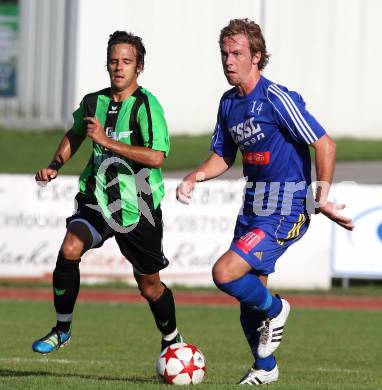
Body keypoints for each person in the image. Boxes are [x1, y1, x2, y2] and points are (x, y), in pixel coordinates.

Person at [176, 19, 354, 385]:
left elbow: (325, 145)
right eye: (224, 54)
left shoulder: (276, 99)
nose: (228, 61)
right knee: (247, 303)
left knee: (224, 273)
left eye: (237, 53)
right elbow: (223, 156)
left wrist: (320, 197)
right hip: (254, 208)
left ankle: (278, 309)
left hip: (287, 208)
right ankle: (266, 368)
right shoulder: (229, 103)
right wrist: (196, 175)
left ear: (256, 57)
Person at [32, 30, 182, 355]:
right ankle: (62, 328)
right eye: (114, 61)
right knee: (70, 248)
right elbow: (74, 135)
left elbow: (156, 157)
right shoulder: (93, 102)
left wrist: (107, 141)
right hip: (98, 198)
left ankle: (172, 340)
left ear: (138, 67)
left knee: (150, 286)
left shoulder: (146, 105)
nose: (119, 67)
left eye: (126, 62)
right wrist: (55, 164)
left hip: (138, 206)